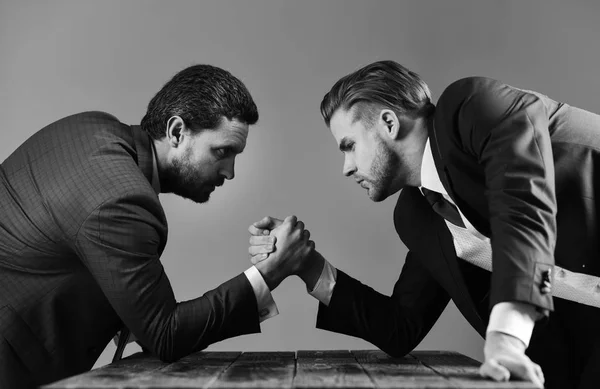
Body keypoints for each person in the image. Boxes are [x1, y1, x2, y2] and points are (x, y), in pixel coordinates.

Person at [248, 60, 600, 389]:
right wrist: (309, 267)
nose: (347, 167)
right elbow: (401, 326)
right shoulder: (417, 215)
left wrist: (506, 337)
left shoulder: (475, 108)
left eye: (350, 146)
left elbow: (523, 211)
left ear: (389, 123)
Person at [0, 64, 313, 388]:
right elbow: (165, 334)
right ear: (176, 132)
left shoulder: (93, 129)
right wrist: (269, 274)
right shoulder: (122, 200)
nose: (230, 172)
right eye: (222, 152)